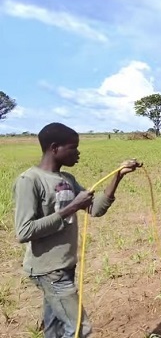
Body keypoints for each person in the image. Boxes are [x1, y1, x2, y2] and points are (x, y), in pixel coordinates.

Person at [13, 122, 140, 337]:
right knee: (80, 328)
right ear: (54, 148)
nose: (78, 153)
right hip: (50, 270)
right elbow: (24, 231)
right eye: (73, 147)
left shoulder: (68, 180)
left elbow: (96, 209)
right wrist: (71, 207)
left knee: (55, 329)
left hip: (65, 266)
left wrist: (118, 175)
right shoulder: (30, 180)